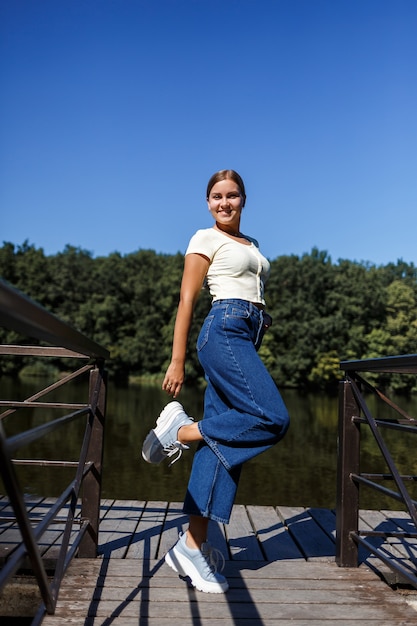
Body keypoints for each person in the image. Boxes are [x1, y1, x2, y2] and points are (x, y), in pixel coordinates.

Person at [142, 169, 290, 594]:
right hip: (224, 330)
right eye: (216, 196)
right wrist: (176, 360)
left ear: (244, 199)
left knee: (224, 445)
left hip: (245, 334)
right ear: (208, 202)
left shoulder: (252, 244)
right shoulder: (204, 238)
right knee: (273, 419)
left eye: (232, 195)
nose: (224, 203)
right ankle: (183, 431)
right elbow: (187, 299)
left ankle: (191, 545)